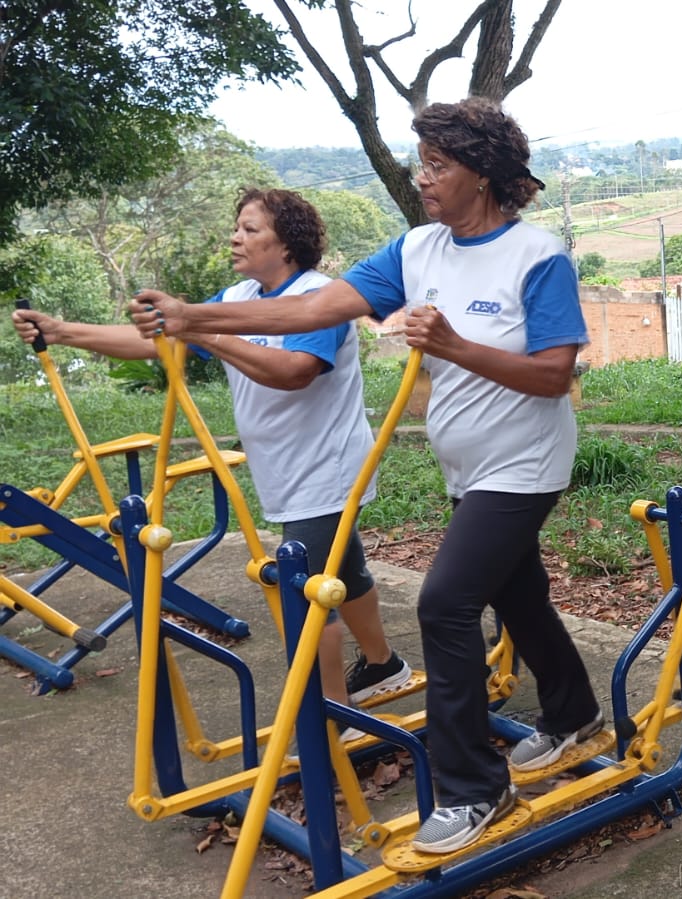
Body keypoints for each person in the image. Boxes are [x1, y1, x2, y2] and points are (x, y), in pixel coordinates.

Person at [128, 98, 602, 856]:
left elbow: (552, 376)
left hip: (525, 462)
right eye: (423, 162)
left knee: (447, 603)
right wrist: (195, 316)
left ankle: (474, 786)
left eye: (438, 165)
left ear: (481, 176)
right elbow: (310, 307)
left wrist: (453, 344)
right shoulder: (417, 250)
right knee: (517, 592)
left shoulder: (536, 256)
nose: (424, 178)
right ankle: (574, 712)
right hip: (468, 463)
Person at [13, 188, 411, 722]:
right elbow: (160, 342)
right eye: (237, 227)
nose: (235, 236)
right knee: (347, 569)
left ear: (287, 243)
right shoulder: (239, 296)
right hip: (287, 467)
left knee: (307, 600)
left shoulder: (319, 296)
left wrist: (208, 329)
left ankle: (334, 729)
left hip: (327, 466)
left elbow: (293, 372)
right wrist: (63, 332)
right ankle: (384, 666)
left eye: (250, 229)